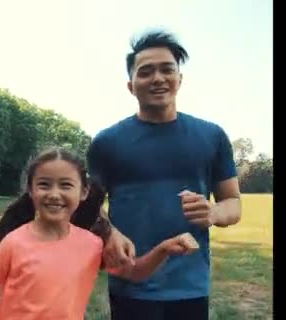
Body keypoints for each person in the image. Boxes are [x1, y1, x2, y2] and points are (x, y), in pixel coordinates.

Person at [87, 30, 242, 320]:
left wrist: (213, 212)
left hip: (190, 285)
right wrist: (109, 232)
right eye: (145, 72)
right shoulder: (106, 142)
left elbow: (233, 202)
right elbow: (88, 205)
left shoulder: (212, 136)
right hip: (130, 281)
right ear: (131, 86)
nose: (158, 78)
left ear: (179, 79)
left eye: (167, 69)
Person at [0, 147, 199, 320]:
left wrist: (163, 249)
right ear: (30, 191)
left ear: (83, 193)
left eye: (66, 185)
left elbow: (134, 272)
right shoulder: (14, 242)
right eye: (44, 184)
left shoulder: (92, 244)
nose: (54, 193)